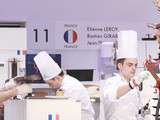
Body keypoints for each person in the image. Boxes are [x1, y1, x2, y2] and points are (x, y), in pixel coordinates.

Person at [34, 51, 95, 120]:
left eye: (50, 84)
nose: (50, 86)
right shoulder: (66, 83)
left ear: (57, 78)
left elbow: (65, 112)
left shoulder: (70, 87)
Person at [100, 30, 146, 120]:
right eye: (130, 65)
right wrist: (131, 85)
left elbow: (136, 111)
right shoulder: (111, 82)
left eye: (135, 65)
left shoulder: (134, 86)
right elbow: (114, 94)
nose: (133, 68)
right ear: (120, 65)